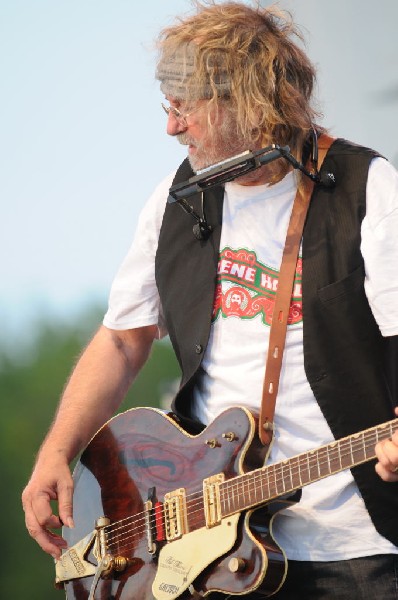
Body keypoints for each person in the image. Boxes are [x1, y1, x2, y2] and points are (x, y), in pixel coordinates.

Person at [22, 2, 398, 599]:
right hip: (208, 553)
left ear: (245, 104)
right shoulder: (177, 199)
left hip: (354, 546)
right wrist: (56, 453)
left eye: (182, 109)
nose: (171, 128)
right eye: (166, 108)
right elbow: (122, 339)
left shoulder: (365, 188)